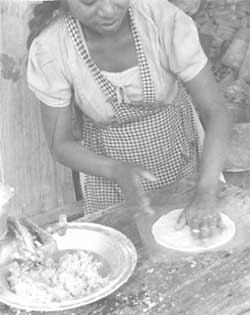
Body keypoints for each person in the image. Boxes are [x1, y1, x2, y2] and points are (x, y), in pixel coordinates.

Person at [26, 0, 232, 239]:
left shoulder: (163, 21)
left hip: (180, 156)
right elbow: (60, 144)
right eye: (88, 2)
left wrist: (206, 192)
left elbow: (215, 111)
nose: (108, 11)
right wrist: (116, 170)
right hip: (106, 173)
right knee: (126, 244)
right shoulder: (52, 49)